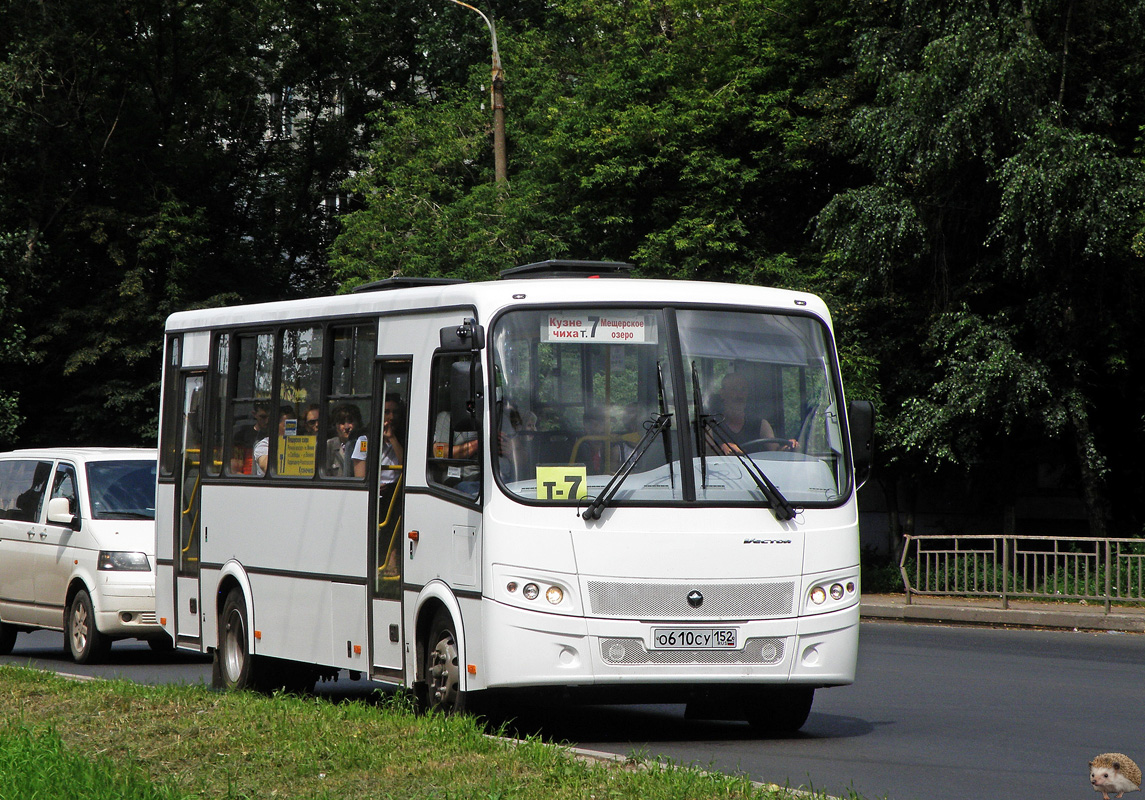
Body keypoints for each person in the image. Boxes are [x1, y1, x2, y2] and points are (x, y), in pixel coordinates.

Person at [711, 372, 794, 454]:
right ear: (722, 393)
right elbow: (703, 453)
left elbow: (776, 451)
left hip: (754, 467)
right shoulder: (711, 425)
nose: (740, 395)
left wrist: (789, 448)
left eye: (743, 390)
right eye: (734, 389)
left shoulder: (760, 424)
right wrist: (722, 447)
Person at [253, 405, 295, 476]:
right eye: (288, 425)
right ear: (276, 425)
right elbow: (267, 466)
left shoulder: (301, 442)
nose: (292, 429)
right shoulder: (264, 445)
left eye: (293, 425)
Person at [325, 404, 362, 477]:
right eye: (342, 422)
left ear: (357, 423)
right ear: (335, 425)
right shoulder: (329, 446)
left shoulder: (363, 444)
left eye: (350, 421)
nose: (346, 427)